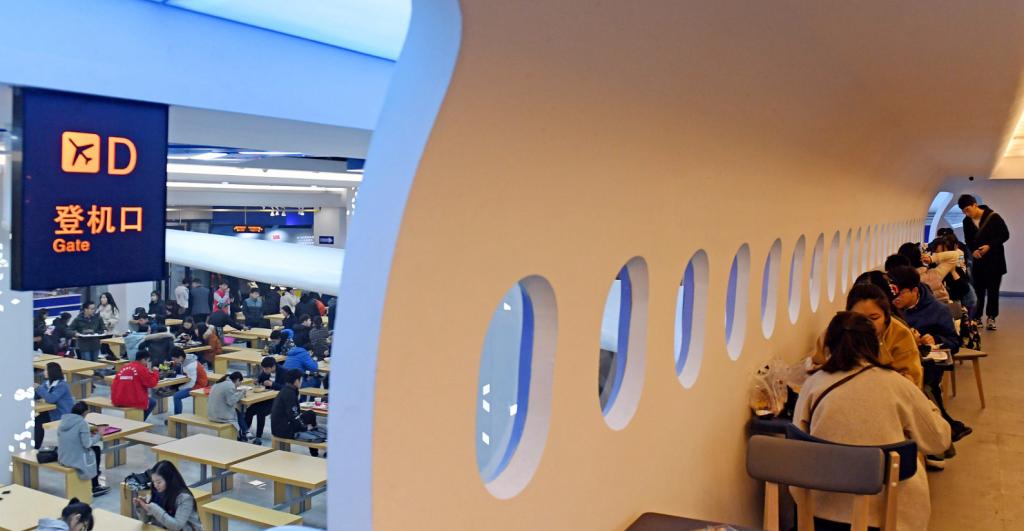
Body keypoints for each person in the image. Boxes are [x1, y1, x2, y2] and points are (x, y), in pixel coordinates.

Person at [794, 312, 950, 531]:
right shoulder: (898, 385)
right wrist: (929, 404)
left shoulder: (813, 384)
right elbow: (939, 441)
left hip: (820, 511)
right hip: (889, 515)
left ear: (828, 346)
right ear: (875, 344)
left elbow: (797, 446)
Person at [890, 266, 972, 450]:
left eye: (900, 293)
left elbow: (955, 342)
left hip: (926, 364)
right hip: (898, 363)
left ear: (914, 291)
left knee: (925, 385)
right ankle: (943, 430)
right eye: (893, 293)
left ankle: (936, 439)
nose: (896, 298)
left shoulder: (938, 310)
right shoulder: (888, 308)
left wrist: (935, 339)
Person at [812, 284, 923, 388]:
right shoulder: (835, 333)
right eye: (858, 318)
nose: (866, 324)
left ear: (886, 316)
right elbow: (817, 369)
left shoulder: (901, 335)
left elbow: (912, 384)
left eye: (874, 318)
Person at [959, 194, 1011, 330]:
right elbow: (968, 240)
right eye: (964, 211)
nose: (967, 213)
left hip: (995, 261)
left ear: (975, 205)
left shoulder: (994, 217)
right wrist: (973, 251)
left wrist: (990, 246)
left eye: (968, 210)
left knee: (993, 291)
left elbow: (1005, 235)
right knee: (979, 290)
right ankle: (977, 317)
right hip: (979, 261)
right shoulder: (966, 221)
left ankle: (991, 317)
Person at [57, 401, 111, 497]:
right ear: (85, 413)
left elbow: (72, 436)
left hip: (63, 456)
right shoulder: (82, 423)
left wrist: (87, 433)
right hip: (74, 459)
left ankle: (95, 477)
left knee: (95, 449)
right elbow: (87, 444)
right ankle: (95, 485)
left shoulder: (63, 421)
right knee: (96, 450)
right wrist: (99, 434)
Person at [135, 460, 203, 530]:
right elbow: (146, 520)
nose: (155, 485)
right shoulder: (157, 491)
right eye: (153, 482)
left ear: (169, 480)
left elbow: (177, 526)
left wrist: (154, 509)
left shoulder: (185, 498)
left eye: (159, 482)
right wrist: (142, 507)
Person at [271, 369, 324, 456]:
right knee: (308, 419)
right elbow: (293, 415)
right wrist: (304, 428)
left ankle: (314, 439)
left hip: (282, 425)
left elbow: (293, 413)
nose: (302, 381)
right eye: (301, 379)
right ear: (296, 381)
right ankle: (314, 439)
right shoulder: (289, 393)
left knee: (310, 414)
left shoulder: (288, 389)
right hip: (283, 430)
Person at [34, 362, 74, 449]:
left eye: (45, 370)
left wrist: (38, 388)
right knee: (37, 420)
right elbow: (38, 395)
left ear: (52, 372)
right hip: (52, 412)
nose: (44, 372)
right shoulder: (47, 383)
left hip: (62, 414)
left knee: (39, 422)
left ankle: (38, 446)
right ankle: (36, 446)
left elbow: (51, 399)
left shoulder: (62, 385)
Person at [111, 348, 159, 419]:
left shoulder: (124, 367)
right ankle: (140, 421)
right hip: (132, 401)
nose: (147, 363)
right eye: (147, 361)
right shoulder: (141, 369)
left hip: (117, 399)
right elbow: (152, 384)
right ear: (143, 360)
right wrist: (155, 372)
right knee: (152, 402)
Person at [245, 356, 282, 445]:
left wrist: (272, 384)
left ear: (273, 367)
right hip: (264, 398)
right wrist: (257, 381)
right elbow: (260, 380)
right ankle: (244, 432)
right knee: (249, 410)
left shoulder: (283, 372)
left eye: (266, 369)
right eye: (263, 368)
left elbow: (285, 387)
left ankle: (258, 437)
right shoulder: (265, 371)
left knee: (261, 412)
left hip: (277, 400)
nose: (264, 370)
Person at [207, 372, 249, 442]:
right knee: (238, 413)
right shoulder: (229, 385)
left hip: (211, 414)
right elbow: (231, 402)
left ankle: (245, 432)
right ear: (238, 380)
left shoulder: (219, 383)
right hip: (219, 417)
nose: (239, 385)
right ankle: (245, 433)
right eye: (240, 382)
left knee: (237, 412)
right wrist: (242, 393)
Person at [170, 348, 207, 415]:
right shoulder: (185, 358)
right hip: (192, 381)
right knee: (173, 389)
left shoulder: (191, 365)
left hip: (198, 385)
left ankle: (177, 417)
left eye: (174, 359)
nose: (174, 361)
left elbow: (192, 383)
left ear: (180, 357)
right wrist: (172, 363)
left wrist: (179, 388)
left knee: (176, 396)